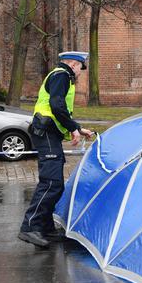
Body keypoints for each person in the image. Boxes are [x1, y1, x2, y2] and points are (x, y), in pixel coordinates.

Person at [18, 51, 94, 248]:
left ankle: (45, 227)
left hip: (48, 132)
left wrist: (77, 129)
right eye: (80, 68)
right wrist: (73, 128)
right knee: (51, 183)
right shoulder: (61, 75)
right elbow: (56, 105)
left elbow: (60, 110)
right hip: (46, 132)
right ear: (74, 64)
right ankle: (30, 227)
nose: (80, 73)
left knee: (55, 183)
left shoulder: (61, 76)